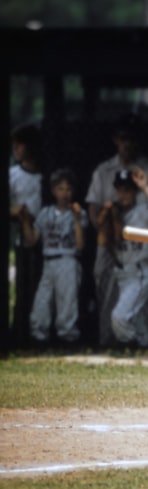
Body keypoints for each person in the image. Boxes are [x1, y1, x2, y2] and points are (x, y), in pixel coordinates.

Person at [86, 114, 148, 347]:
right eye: (123, 138)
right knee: (110, 299)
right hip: (112, 243)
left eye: (131, 139)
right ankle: (109, 343)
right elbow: (93, 206)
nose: (127, 144)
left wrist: (144, 188)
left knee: (137, 305)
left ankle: (143, 344)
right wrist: (104, 227)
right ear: (115, 140)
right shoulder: (103, 170)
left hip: (140, 253)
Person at [96, 167, 148, 348]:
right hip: (121, 273)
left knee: (119, 317)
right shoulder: (114, 211)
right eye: (120, 190)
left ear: (134, 191)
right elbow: (102, 240)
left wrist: (146, 188)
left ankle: (131, 346)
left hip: (139, 270)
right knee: (137, 318)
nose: (123, 194)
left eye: (128, 190)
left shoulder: (143, 210)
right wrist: (105, 215)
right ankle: (142, 348)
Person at [21, 168, 87, 346]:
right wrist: (24, 220)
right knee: (42, 303)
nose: (65, 193)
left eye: (68, 189)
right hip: (49, 261)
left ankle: (68, 339)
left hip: (68, 260)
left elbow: (80, 245)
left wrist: (77, 220)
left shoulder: (78, 213)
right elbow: (31, 240)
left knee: (67, 304)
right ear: (53, 190)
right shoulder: (45, 213)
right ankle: (39, 338)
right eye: (60, 188)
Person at [9, 123, 44, 344]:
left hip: (44, 235)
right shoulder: (12, 174)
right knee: (22, 286)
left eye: (20, 144)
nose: (16, 149)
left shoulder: (45, 175)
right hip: (22, 234)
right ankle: (19, 332)